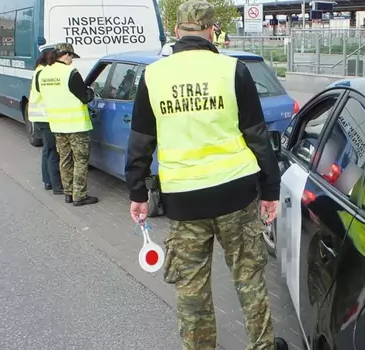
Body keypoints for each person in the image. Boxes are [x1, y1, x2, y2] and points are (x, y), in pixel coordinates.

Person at [125, 2, 286, 349]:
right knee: (249, 279)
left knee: (192, 291)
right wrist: (270, 190)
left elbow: (140, 143)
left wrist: (137, 193)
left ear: (177, 32)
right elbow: (257, 135)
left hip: (184, 202)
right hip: (236, 195)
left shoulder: (153, 76)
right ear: (212, 31)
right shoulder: (233, 70)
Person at [37, 43, 98, 206]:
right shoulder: (70, 72)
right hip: (76, 124)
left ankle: (68, 193)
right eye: (72, 57)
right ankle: (80, 195)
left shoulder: (43, 73)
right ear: (66, 55)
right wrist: (91, 91)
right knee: (80, 160)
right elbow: (85, 96)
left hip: (57, 124)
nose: (72, 60)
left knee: (64, 159)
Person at [28, 45, 63, 196]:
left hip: (39, 115)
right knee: (52, 151)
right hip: (45, 116)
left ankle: (48, 181)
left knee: (47, 150)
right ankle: (56, 185)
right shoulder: (44, 72)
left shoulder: (38, 70)